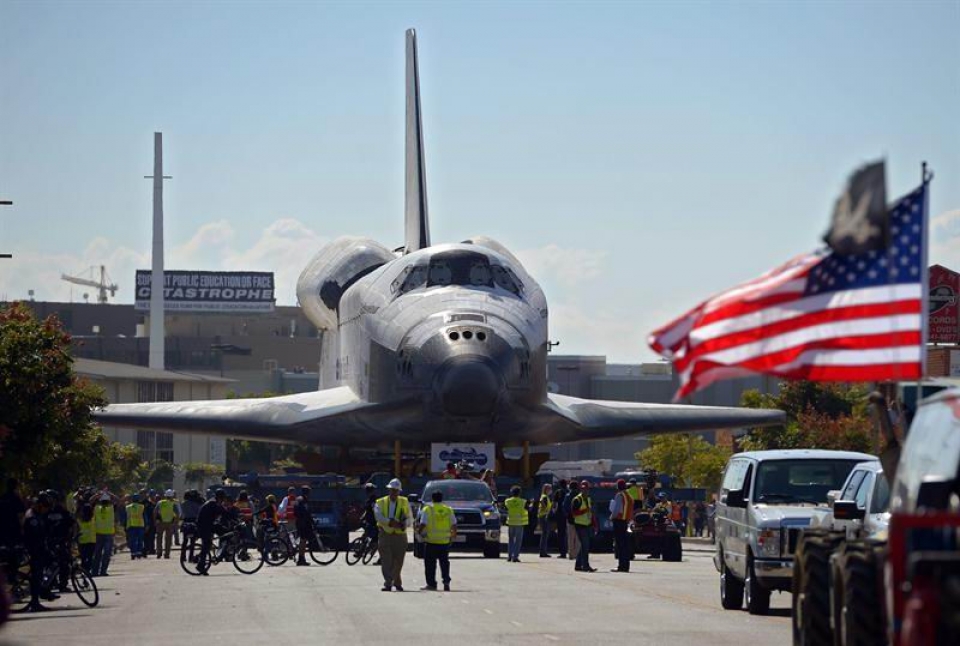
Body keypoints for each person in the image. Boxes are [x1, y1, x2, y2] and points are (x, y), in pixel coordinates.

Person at [374, 478, 410, 591]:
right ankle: (388, 583)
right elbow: (378, 517)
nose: (394, 492)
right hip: (385, 533)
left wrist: (403, 525)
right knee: (386, 560)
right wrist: (390, 522)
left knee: (398, 561)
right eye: (392, 490)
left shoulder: (404, 501)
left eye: (396, 490)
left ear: (399, 491)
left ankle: (397, 582)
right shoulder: (380, 502)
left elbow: (409, 518)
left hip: (400, 535)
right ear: (389, 490)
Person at [416, 489, 456, 591]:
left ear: (432, 499)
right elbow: (454, 524)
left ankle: (431, 584)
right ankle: (446, 581)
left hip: (431, 542)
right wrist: (453, 536)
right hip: (444, 541)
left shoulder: (428, 509)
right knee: (444, 563)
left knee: (430, 565)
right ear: (442, 499)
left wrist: (419, 533)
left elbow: (423, 523)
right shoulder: (448, 509)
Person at [19, 493, 52, 612]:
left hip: (38, 549)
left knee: (38, 575)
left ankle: (38, 598)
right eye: (45, 507)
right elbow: (33, 537)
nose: (46, 510)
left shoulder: (37, 515)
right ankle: (35, 602)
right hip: (34, 550)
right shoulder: (32, 517)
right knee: (35, 576)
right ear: (39, 505)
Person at [45, 491, 74, 592]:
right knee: (49, 564)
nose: (50, 501)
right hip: (49, 542)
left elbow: (71, 523)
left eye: (51, 498)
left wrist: (69, 539)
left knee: (64, 563)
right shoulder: (44, 511)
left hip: (61, 541)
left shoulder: (61, 510)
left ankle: (63, 584)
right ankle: (50, 584)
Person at [196, 490, 226, 575]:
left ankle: (220, 552)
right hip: (204, 526)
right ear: (220, 497)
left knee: (224, 531)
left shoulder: (214, 502)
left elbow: (223, 511)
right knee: (206, 545)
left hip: (208, 525)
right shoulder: (213, 503)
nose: (223, 500)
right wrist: (234, 517)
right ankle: (200, 566)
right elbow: (223, 512)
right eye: (223, 498)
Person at [571, 480, 597, 572]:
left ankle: (578, 565)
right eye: (583, 489)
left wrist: (594, 524)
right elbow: (574, 513)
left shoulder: (588, 499)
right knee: (585, 545)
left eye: (586, 489)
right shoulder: (577, 500)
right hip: (579, 525)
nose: (584, 490)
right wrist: (584, 510)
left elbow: (591, 513)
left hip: (587, 524)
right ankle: (586, 566)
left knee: (584, 545)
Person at [609, 479, 634, 572]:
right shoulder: (629, 496)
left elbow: (617, 510)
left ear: (618, 486)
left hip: (618, 521)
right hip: (625, 522)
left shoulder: (619, 495)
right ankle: (625, 566)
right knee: (625, 545)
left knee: (619, 545)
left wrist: (611, 517)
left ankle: (621, 566)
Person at [92, 492, 116, 577]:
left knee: (97, 554)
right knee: (106, 554)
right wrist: (109, 493)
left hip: (98, 533)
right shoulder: (111, 508)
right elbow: (116, 500)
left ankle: (94, 571)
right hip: (109, 534)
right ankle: (103, 571)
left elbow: (90, 501)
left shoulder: (96, 508)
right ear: (109, 501)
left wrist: (96, 495)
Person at [504, 486, 527, 563]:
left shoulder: (507, 501)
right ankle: (515, 557)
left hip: (510, 522)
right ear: (520, 493)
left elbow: (505, 507)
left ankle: (509, 556)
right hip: (519, 523)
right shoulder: (523, 501)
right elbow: (527, 509)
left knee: (510, 540)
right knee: (518, 541)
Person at [154, 489, 179, 559]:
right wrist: (175, 522)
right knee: (168, 539)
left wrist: (155, 521)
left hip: (160, 523)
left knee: (159, 538)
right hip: (170, 523)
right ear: (171, 496)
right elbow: (177, 514)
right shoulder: (173, 503)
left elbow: (155, 512)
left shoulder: (160, 502)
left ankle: (159, 552)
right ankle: (167, 554)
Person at [294, 486, 314, 566]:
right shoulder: (304, 500)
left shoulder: (298, 499)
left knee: (303, 540)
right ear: (307, 492)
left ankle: (301, 558)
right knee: (303, 540)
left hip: (299, 521)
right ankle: (301, 559)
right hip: (303, 523)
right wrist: (311, 520)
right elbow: (306, 512)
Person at [563, 481, 581, 563]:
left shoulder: (568, 496)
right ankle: (578, 554)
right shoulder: (580, 496)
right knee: (578, 538)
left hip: (570, 519)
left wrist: (567, 515)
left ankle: (571, 554)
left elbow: (565, 507)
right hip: (579, 519)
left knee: (570, 537)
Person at [77, 503, 97, 572]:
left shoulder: (79, 520)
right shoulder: (93, 519)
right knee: (90, 557)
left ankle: (83, 570)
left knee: (83, 558)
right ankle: (88, 570)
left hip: (82, 541)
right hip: (91, 541)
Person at [126, 494, 146, 558]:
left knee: (133, 540)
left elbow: (125, 517)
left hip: (131, 525)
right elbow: (145, 516)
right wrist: (147, 524)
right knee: (140, 540)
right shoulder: (142, 506)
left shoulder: (128, 507)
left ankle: (133, 553)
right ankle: (139, 552)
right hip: (140, 525)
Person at [552, 480, 568, 559]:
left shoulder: (558, 492)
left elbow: (554, 504)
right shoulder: (568, 491)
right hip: (569, 515)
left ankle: (563, 553)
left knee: (561, 534)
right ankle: (571, 551)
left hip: (560, 515)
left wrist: (553, 512)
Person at [537, 483, 553, 558]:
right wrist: (546, 511)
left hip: (543, 516)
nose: (550, 490)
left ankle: (543, 551)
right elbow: (542, 504)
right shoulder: (544, 497)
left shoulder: (546, 496)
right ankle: (543, 552)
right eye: (549, 489)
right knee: (545, 535)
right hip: (544, 517)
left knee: (545, 535)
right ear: (546, 489)